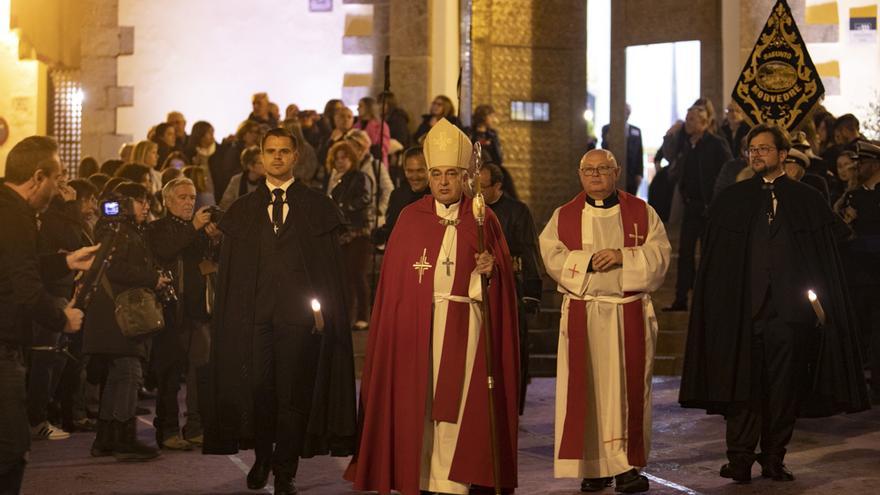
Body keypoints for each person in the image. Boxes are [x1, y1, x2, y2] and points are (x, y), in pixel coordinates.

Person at [679, 124, 869, 484]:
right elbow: (716, 263)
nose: (757, 155)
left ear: (784, 154)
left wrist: (819, 306)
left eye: (765, 149)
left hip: (790, 314)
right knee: (741, 386)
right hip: (743, 311)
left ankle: (773, 458)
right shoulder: (732, 200)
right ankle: (738, 458)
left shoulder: (806, 199)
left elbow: (827, 254)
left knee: (784, 389)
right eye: (752, 149)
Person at [346, 118, 520, 495]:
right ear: (427, 175)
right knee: (419, 405)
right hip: (415, 331)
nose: (443, 182)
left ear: (465, 177)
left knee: (457, 405)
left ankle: (456, 480)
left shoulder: (482, 217)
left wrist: (489, 272)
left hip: (465, 326)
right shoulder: (410, 219)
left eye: (452, 174)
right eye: (437, 174)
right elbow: (395, 288)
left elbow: (499, 282)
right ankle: (422, 477)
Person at [201, 128, 356, 495]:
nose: (277, 158)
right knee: (258, 389)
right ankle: (264, 456)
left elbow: (331, 272)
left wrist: (325, 314)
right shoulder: (242, 211)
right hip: (254, 320)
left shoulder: (317, 207)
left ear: (296, 155)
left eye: (284, 151)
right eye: (270, 151)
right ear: (260, 156)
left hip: (299, 320)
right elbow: (231, 278)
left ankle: (286, 469)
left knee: (292, 392)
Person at [539, 149, 670, 493]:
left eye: (603, 169)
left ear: (617, 172)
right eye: (588, 170)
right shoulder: (563, 215)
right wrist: (588, 263)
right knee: (588, 391)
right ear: (580, 175)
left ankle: (627, 466)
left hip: (628, 312)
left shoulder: (642, 212)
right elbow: (551, 255)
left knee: (629, 391)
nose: (595, 176)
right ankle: (594, 466)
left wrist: (622, 256)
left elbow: (660, 254)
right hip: (585, 310)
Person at [0, 136, 96, 494]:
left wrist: (66, 261)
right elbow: (24, 287)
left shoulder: (9, 208)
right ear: (38, 177)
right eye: (56, 179)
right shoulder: (14, 215)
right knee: (11, 448)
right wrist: (62, 320)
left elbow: (16, 268)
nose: (59, 189)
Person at [82, 181, 166, 463]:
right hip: (116, 315)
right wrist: (152, 278)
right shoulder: (116, 229)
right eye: (141, 201)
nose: (147, 207)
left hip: (114, 314)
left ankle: (106, 439)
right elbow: (114, 266)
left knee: (119, 376)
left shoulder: (123, 229)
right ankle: (124, 438)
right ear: (126, 202)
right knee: (129, 374)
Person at [148, 178, 221, 450]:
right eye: (182, 197)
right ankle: (166, 430)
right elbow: (166, 250)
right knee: (169, 373)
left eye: (192, 197)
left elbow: (213, 264)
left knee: (201, 371)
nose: (189, 202)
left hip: (199, 311)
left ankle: (196, 426)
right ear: (167, 201)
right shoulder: (157, 228)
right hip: (170, 311)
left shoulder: (200, 231)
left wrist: (214, 240)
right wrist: (194, 228)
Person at [479, 162, 543, 414]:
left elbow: (529, 251)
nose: (477, 193)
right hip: (478, 288)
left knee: (512, 347)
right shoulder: (469, 209)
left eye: (483, 188)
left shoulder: (517, 212)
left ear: (498, 186)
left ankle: (511, 404)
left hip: (511, 289)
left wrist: (531, 293)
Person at [664, 105, 732, 311]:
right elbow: (670, 159)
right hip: (691, 207)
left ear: (704, 123)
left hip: (710, 208)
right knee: (685, 253)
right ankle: (681, 299)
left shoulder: (716, 144)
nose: (688, 122)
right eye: (687, 118)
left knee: (709, 255)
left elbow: (727, 172)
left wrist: (716, 202)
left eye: (693, 119)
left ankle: (709, 300)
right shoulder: (686, 144)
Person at [837, 140, 880, 404]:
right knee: (860, 330)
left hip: (875, 275)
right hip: (858, 276)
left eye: (863, 162)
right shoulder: (851, 197)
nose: (858, 167)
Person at [325, 141, 372, 330]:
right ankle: (348, 315)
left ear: (352, 158)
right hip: (344, 234)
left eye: (344, 158)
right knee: (345, 276)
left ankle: (363, 316)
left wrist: (344, 208)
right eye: (337, 159)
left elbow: (365, 198)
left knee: (357, 274)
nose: (340, 162)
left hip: (359, 232)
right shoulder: (339, 182)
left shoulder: (360, 177)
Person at [371, 146, 431, 245]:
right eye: (410, 171)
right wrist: (380, 235)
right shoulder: (397, 196)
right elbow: (391, 228)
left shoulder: (438, 198)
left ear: (429, 169)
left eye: (420, 170)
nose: (414, 177)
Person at [345, 129, 394, 230]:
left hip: (370, 220)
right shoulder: (343, 166)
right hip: (348, 219)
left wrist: (380, 209)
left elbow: (388, 189)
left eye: (353, 146)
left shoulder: (375, 166)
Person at [601, 104, 644, 195]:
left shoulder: (636, 130)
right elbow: (603, 149)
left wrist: (639, 173)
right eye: (624, 112)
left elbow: (639, 153)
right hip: (612, 172)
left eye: (628, 112)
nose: (626, 114)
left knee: (630, 202)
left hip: (631, 174)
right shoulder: (607, 128)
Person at [219, 146, 264, 210]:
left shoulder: (268, 181)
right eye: (261, 163)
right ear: (250, 166)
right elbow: (225, 204)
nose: (265, 165)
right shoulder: (237, 180)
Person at [355, 96, 391, 164]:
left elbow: (384, 148)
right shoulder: (356, 126)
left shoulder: (381, 126)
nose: (357, 109)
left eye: (361, 106)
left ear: (369, 107)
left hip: (376, 162)